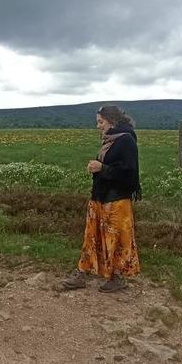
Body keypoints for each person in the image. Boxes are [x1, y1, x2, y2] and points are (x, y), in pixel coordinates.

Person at [63, 105, 141, 293]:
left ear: (112, 121)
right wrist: (97, 166)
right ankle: (83, 272)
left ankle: (117, 277)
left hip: (116, 201)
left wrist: (102, 168)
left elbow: (129, 174)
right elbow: (111, 165)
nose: (98, 126)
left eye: (100, 122)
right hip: (100, 197)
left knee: (115, 241)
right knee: (92, 237)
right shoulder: (110, 140)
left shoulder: (126, 140)